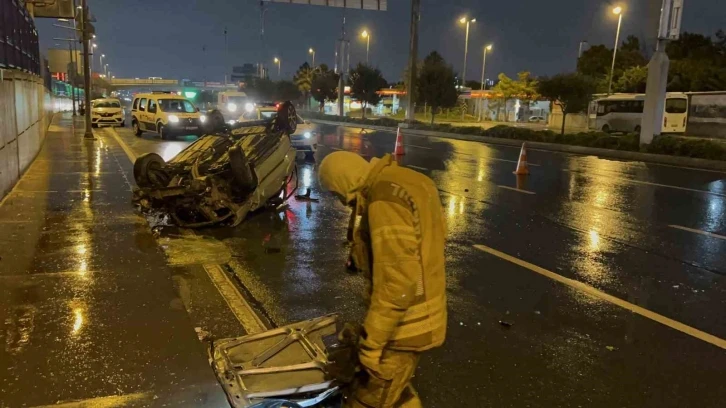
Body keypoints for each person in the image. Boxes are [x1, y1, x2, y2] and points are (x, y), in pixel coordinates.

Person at [318, 152, 447, 408]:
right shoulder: (409, 180)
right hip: (425, 311)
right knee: (396, 394)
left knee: (368, 400)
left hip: (403, 327)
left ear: (343, 180)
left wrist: (372, 344)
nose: (342, 201)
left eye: (336, 193)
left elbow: (397, 283)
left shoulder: (383, 198)